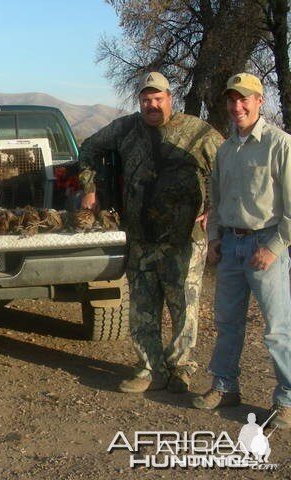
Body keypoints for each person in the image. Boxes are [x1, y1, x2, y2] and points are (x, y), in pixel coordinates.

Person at [78, 72, 224, 394]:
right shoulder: (127, 128)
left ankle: (181, 369)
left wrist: (216, 206)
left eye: (158, 98)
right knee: (142, 309)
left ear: (169, 98)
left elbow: (227, 166)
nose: (152, 104)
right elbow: (88, 148)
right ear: (140, 101)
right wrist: (89, 188)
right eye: (146, 99)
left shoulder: (196, 131)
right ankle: (149, 370)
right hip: (141, 238)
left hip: (184, 240)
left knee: (184, 308)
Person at [192, 73, 291, 431]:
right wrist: (216, 236)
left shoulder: (280, 145)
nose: (237, 106)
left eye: (244, 99)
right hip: (231, 245)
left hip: (265, 244)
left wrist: (275, 247)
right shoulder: (226, 148)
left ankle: (287, 400)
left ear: (259, 101)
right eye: (232, 100)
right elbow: (216, 198)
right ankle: (224, 385)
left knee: (278, 329)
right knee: (227, 323)